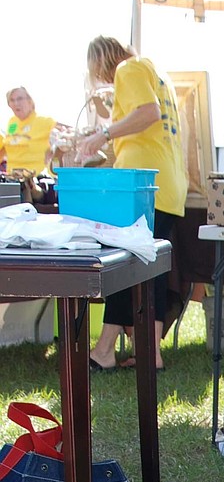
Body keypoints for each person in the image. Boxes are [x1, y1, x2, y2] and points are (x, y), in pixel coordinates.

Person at [76, 37, 187, 371]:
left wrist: (102, 135)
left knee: (123, 267)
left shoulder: (129, 68)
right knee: (142, 268)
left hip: (142, 185)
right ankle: (142, 353)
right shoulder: (152, 71)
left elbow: (147, 114)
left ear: (101, 60)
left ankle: (107, 350)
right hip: (163, 182)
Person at [1, 87, 56, 173]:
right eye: (12, 100)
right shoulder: (13, 123)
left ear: (30, 101)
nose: (16, 103)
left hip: (35, 179)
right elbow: (9, 141)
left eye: (19, 99)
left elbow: (67, 134)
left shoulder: (44, 121)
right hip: (13, 178)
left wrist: (53, 152)